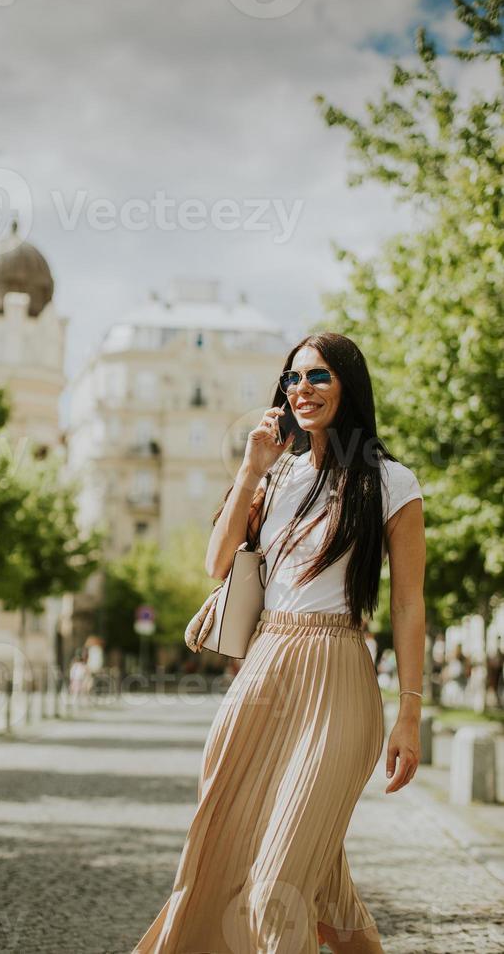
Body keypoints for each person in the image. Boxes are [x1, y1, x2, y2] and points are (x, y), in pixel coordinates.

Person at [133, 333, 426, 954]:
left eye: (318, 377)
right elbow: (218, 564)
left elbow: (407, 603)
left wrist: (410, 714)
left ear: (349, 385)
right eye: (293, 379)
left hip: (340, 676)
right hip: (264, 672)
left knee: (276, 887)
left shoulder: (392, 483)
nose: (302, 390)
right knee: (273, 868)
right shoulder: (277, 476)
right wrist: (249, 470)